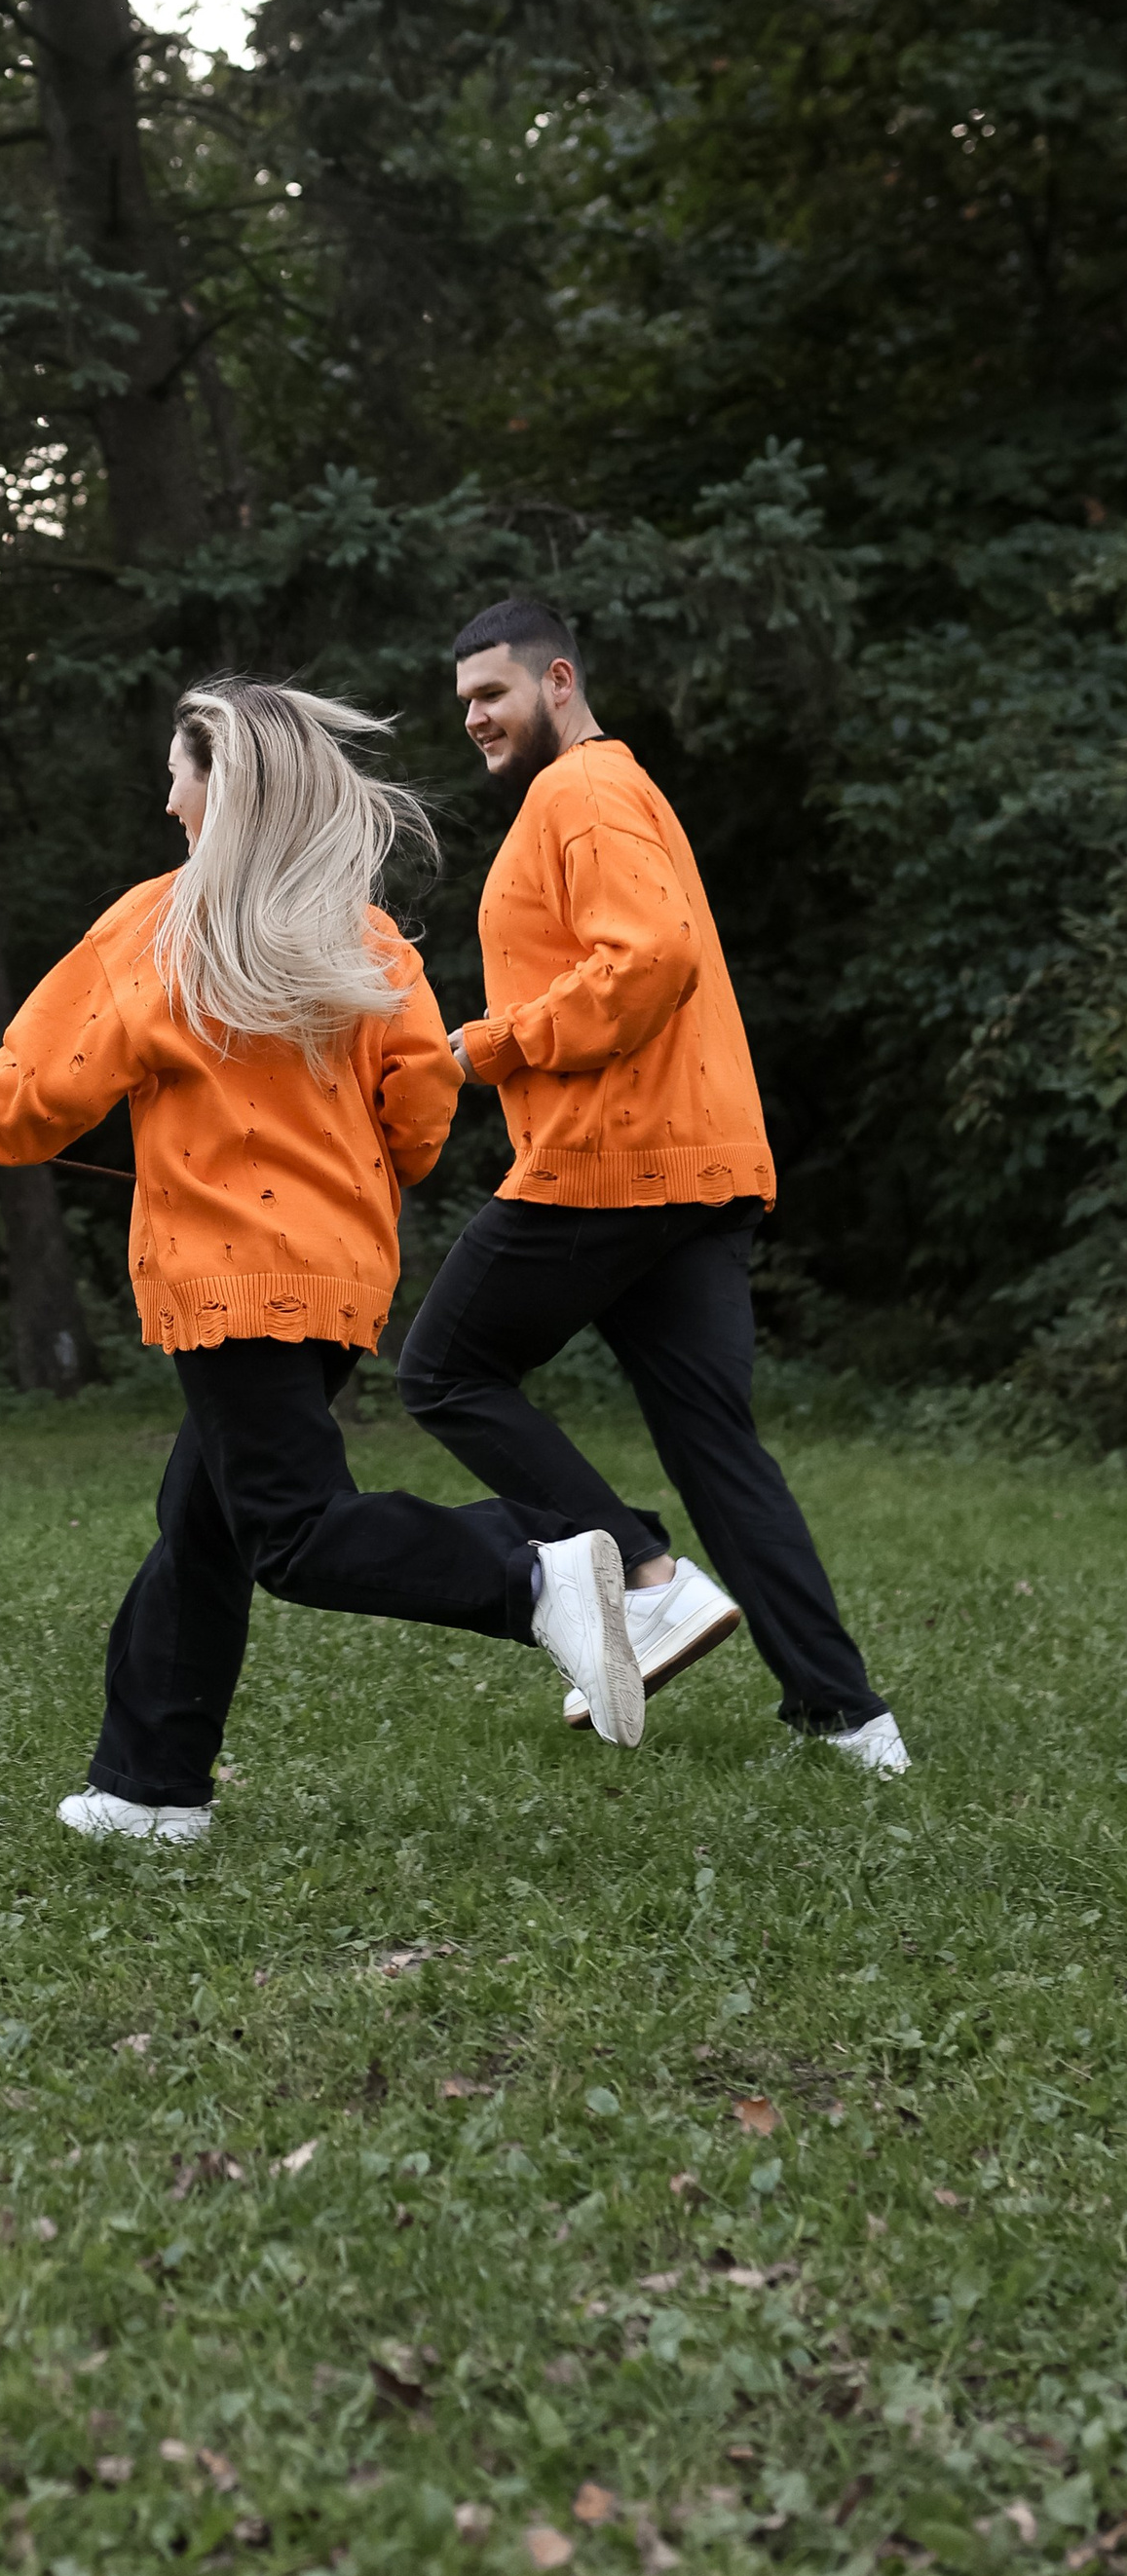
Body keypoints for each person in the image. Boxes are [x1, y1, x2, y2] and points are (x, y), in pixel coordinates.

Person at [0, 674, 650, 1845]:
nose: (167, 801)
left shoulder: (156, 928)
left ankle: (532, 1573)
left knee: (291, 1529)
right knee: (203, 1522)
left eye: (177, 776)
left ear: (217, 788)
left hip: (228, 1283)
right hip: (337, 1283)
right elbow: (422, 1104)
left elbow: (39, 1093)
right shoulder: (364, 934)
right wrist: (357, 1160)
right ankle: (149, 1785)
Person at [395, 596, 908, 1773]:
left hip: (616, 1155)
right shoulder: (611, 790)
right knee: (713, 1442)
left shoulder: (577, 791)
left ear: (558, 680)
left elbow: (651, 958)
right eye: (465, 699)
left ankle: (639, 1575)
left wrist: (496, 1042)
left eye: (493, 693)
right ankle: (847, 1714)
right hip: (695, 1159)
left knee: (446, 1368)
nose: (474, 716)